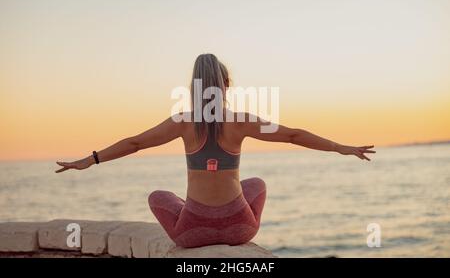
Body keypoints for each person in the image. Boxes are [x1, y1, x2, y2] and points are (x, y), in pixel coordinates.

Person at [55, 53, 375, 248]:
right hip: (241, 229)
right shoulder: (240, 121)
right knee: (257, 184)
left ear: (194, 85)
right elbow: (292, 135)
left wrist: (90, 160)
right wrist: (341, 148)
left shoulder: (182, 121)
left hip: (192, 233)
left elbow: (134, 143)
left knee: (158, 196)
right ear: (225, 83)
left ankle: (193, 209)